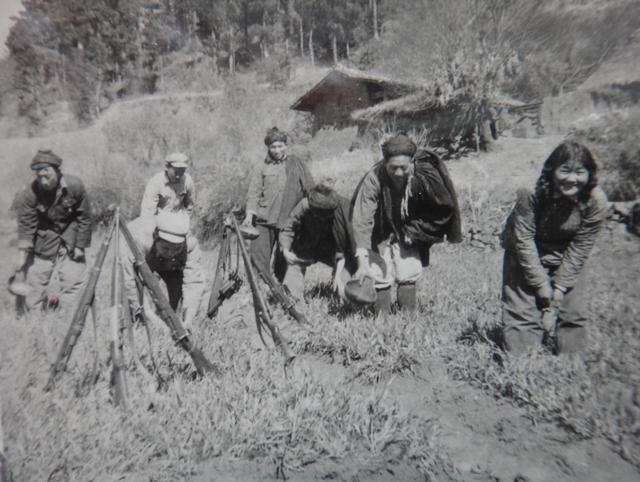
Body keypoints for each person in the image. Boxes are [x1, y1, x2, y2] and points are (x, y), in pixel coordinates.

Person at [501, 141, 608, 354]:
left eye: (580, 172)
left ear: (590, 175)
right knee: (522, 313)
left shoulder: (596, 201)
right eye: (565, 170)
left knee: (573, 311)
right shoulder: (530, 192)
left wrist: (560, 286)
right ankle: (522, 364)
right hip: (524, 249)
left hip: (568, 250)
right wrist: (541, 285)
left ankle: (570, 364)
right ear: (552, 171)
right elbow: (524, 239)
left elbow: (581, 245)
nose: (572, 179)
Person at [351, 134, 462, 314]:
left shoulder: (425, 175)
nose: (398, 173)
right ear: (384, 163)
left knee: (408, 268)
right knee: (379, 272)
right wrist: (362, 260)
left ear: (412, 162)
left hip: (410, 226)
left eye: (403, 167)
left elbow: (442, 207)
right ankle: (383, 317)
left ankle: (408, 316)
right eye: (393, 168)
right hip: (380, 227)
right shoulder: (374, 178)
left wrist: (415, 230)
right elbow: (362, 219)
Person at [13, 149, 92, 312]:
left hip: (70, 236)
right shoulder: (28, 194)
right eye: (39, 176)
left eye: (46, 175)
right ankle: (34, 318)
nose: (43, 181)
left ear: (57, 171)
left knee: (74, 279)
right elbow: (26, 226)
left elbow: (84, 217)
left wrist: (79, 246)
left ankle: (66, 313)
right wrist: (22, 258)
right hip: (43, 239)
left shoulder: (75, 186)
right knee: (34, 281)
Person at [242, 127, 314, 281]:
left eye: (280, 146)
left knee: (285, 259)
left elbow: (310, 188)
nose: (277, 150)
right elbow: (253, 192)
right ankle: (259, 289)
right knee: (258, 258)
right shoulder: (261, 167)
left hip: (288, 221)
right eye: (273, 146)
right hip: (264, 220)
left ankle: (282, 291)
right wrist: (249, 214)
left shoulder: (296, 164)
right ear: (268, 147)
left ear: (286, 146)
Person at [123, 211, 204, 327]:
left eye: (176, 249)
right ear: (156, 237)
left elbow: (194, 282)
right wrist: (149, 315)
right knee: (135, 307)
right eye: (166, 248)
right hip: (148, 257)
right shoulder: (139, 238)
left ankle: (173, 317)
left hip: (172, 266)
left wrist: (189, 318)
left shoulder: (190, 244)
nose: (171, 253)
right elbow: (129, 280)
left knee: (178, 294)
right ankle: (141, 320)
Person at [278, 184, 356, 303]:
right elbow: (289, 228)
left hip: (333, 250)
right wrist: (285, 250)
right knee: (294, 262)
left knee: (342, 284)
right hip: (309, 246)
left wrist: (339, 274)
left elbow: (343, 247)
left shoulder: (339, 210)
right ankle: (293, 299)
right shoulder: (305, 205)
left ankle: (341, 301)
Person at [140, 152, 195, 219]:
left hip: (179, 220)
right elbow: (148, 212)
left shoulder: (187, 180)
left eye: (182, 172)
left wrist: (186, 220)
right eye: (176, 172)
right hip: (159, 221)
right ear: (167, 167)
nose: (178, 176)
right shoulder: (156, 182)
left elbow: (190, 204)